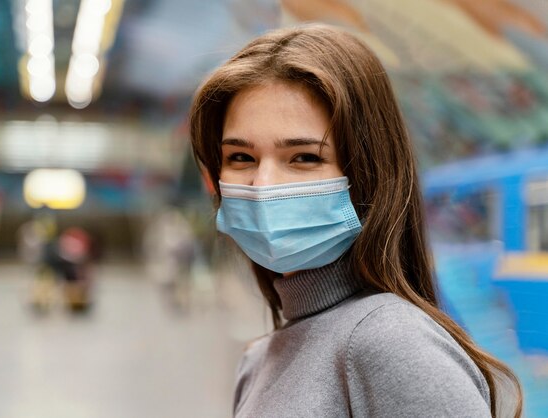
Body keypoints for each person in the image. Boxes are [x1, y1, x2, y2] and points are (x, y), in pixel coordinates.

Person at [189, 24, 522, 417]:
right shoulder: (260, 359)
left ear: (369, 175)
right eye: (241, 158)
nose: (263, 186)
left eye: (304, 157)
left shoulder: (392, 342)